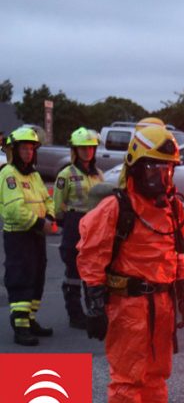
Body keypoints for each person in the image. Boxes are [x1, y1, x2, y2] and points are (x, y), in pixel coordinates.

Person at [78, 124, 184, 403]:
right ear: (137, 167)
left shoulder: (171, 209)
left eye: (167, 170)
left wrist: (183, 291)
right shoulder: (117, 208)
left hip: (161, 302)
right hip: (129, 305)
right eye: (155, 169)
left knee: (157, 375)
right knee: (128, 378)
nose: (162, 177)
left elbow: (176, 253)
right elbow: (91, 253)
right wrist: (95, 303)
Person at [1, 126, 57, 346]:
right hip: (19, 235)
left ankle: (30, 319)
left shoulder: (34, 175)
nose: (28, 152)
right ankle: (20, 326)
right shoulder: (9, 174)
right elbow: (15, 210)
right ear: (14, 150)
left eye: (31, 148)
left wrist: (50, 216)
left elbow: (48, 199)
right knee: (21, 278)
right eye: (23, 148)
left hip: (36, 234)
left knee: (37, 277)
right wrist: (41, 223)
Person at [53, 127, 104, 329]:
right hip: (74, 223)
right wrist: (67, 222)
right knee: (73, 271)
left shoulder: (98, 174)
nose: (87, 151)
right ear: (75, 150)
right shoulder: (66, 175)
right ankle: (75, 314)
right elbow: (57, 206)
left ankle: (94, 310)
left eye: (90, 148)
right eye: (83, 148)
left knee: (93, 269)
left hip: (95, 225)